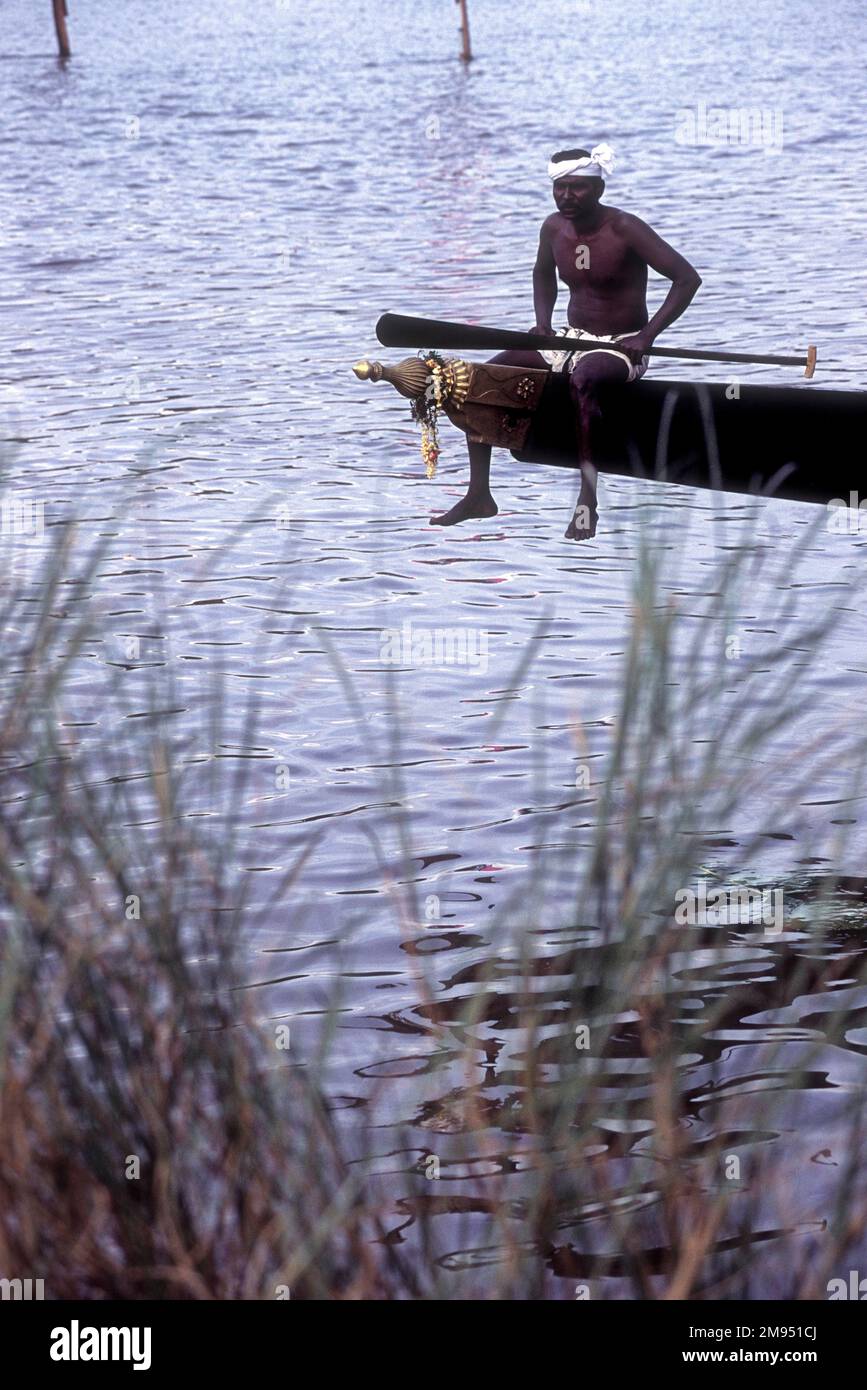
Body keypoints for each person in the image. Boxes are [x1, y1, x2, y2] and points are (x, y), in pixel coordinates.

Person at [431, 144, 702, 540]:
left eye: (577, 188)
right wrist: (542, 323)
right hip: (568, 340)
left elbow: (687, 279)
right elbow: (542, 274)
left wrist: (646, 336)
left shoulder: (626, 228)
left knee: (585, 379)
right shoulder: (552, 228)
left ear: (599, 189)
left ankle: (587, 500)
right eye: (560, 188)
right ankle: (479, 494)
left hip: (619, 345)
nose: (566, 197)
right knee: (483, 377)